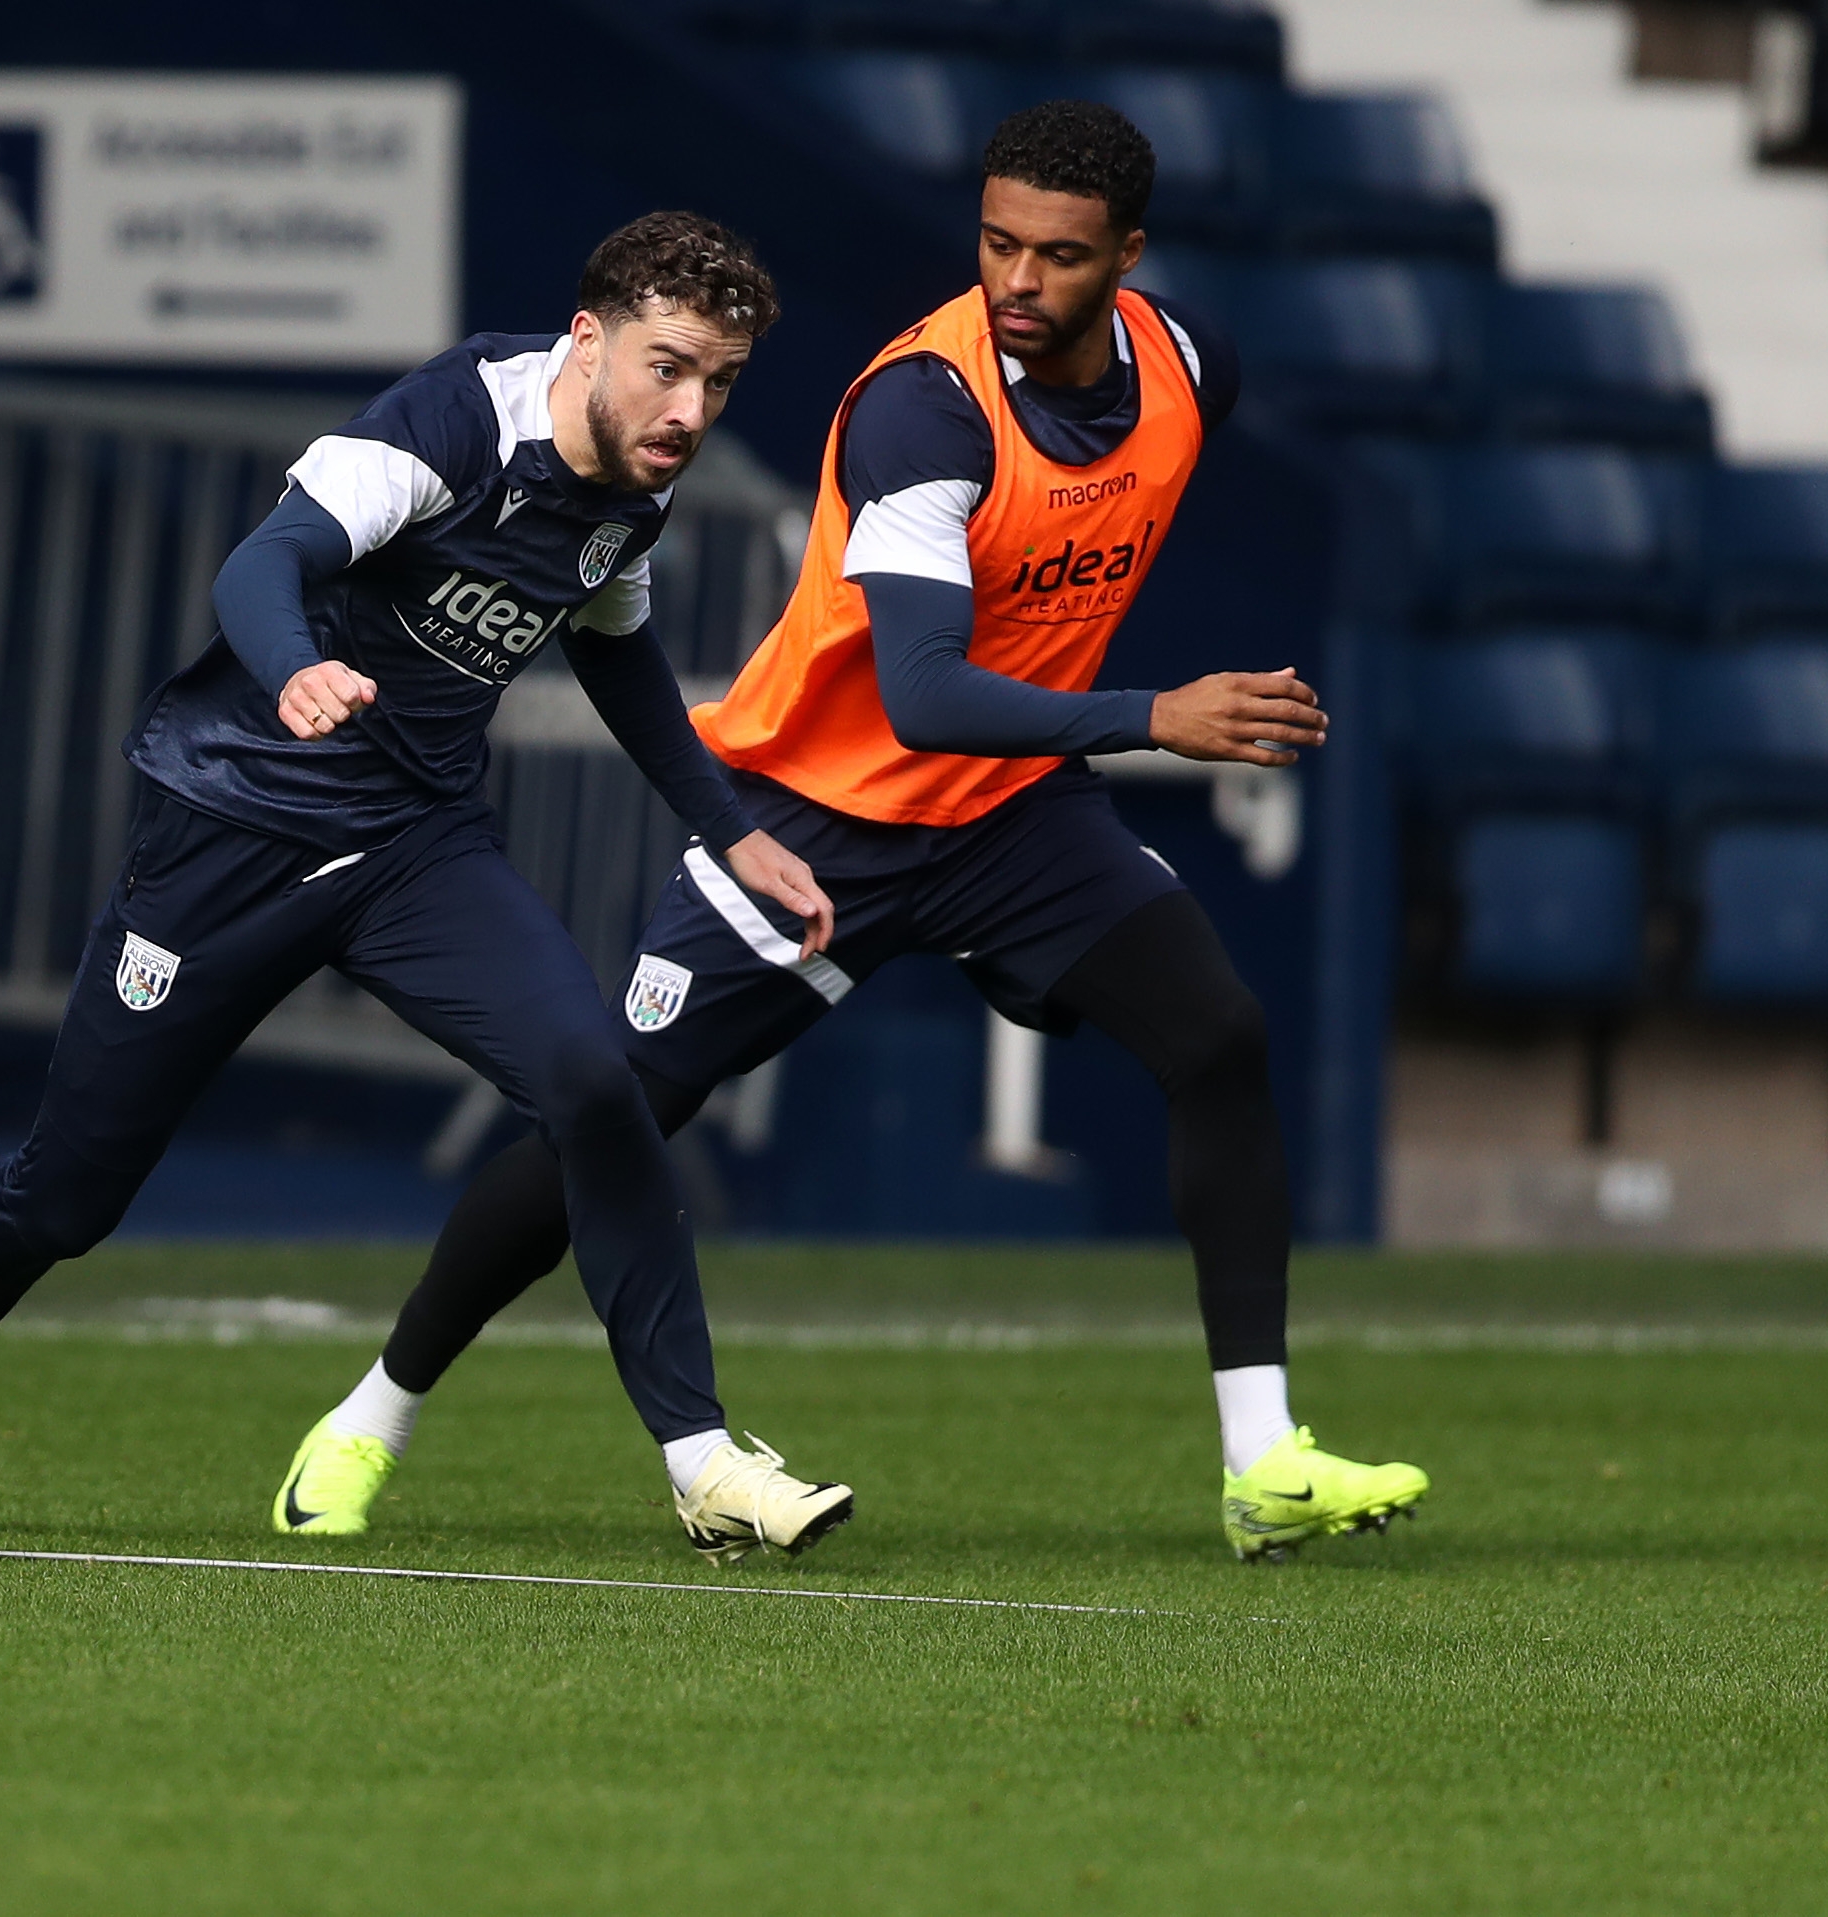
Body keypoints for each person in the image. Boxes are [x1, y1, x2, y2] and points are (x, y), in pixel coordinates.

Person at [270, 103, 1431, 1564]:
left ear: (1128, 259)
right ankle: (376, 1410)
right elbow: (926, 689)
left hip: (1009, 813)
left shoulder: (1192, 367)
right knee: (610, 1120)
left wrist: (1102, 706)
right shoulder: (921, 407)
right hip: (815, 816)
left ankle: (1262, 1460)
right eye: (998, 241)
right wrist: (1158, 713)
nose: (1016, 279)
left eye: (1060, 256)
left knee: (1219, 1035)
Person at [0, 211, 858, 1563]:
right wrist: (293, 668)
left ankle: (702, 1459)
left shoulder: (637, 483)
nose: (689, 408)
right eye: (667, 367)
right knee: (67, 1194)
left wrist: (728, 826)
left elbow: (613, 642)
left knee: (592, 1082)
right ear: (588, 337)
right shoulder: (448, 423)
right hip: (233, 825)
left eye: (720, 381)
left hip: (413, 847)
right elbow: (262, 561)